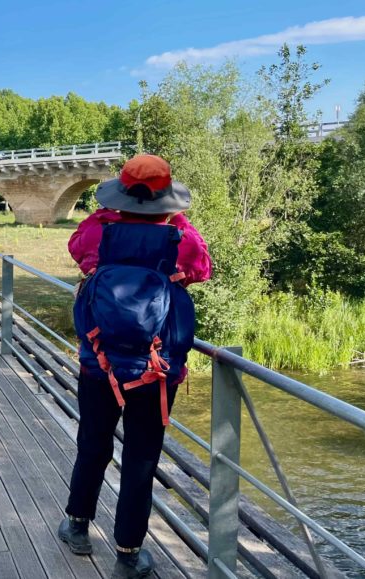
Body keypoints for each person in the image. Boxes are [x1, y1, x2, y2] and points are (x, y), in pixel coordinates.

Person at [57, 154, 212, 578]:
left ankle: (76, 527)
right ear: (167, 199)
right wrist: (175, 220)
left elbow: (76, 248)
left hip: (99, 361)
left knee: (93, 442)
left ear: (121, 192)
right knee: (141, 457)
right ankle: (127, 553)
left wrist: (111, 214)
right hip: (156, 369)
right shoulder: (180, 237)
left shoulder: (98, 230)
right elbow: (202, 268)